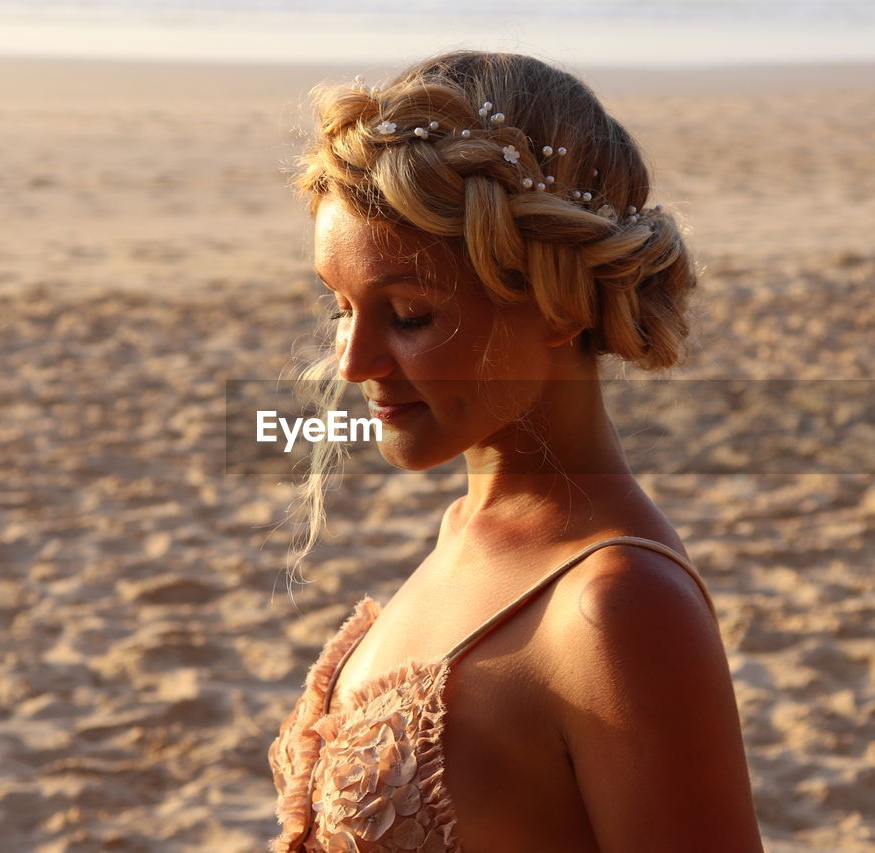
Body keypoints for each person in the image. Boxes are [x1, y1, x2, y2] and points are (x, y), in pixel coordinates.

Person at [267, 50, 764, 852]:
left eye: (409, 314)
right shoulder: (468, 530)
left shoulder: (619, 609)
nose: (353, 362)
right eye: (341, 306)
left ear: (559, 299)